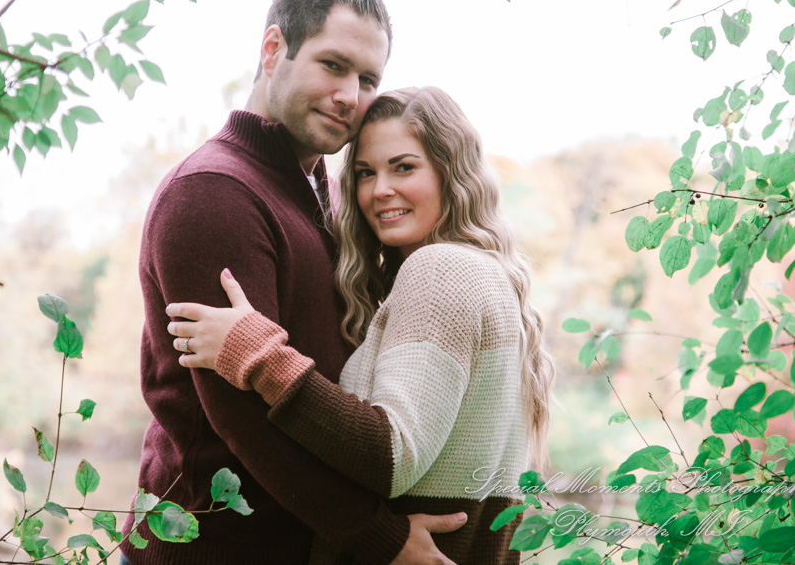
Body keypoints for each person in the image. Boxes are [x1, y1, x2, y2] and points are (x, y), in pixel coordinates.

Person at [121, 0, 466, 565]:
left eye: (367, 80)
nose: (350, 96)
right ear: (273, 50)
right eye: (334, 65)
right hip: (210, 552)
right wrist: (377, 537)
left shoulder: (320, 191)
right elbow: (242, 416)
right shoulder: (214, 193)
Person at [167, 87, 557, 564]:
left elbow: (391, 456)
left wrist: (257, 353)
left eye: (404, 167)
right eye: (365, 173)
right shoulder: (489, 277)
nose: (380, 190)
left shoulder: (440, 270)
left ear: (452, 174)